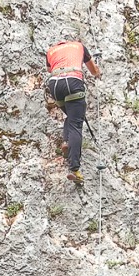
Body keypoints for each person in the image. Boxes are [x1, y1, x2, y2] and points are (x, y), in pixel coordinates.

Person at [44, 38, 102, 183]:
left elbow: (50, 69)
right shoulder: (79, 46)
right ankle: (75, 169)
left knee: (71, 115)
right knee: (76, 124)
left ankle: (66, 142)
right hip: (73, 81)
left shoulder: (51, 51)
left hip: (55, 85)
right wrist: (98, 72)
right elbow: (93, 70)